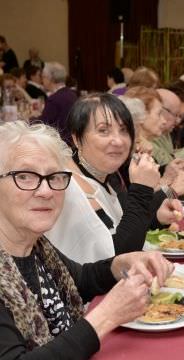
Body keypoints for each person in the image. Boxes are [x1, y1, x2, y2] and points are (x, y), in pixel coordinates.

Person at [0, 120, 174, 358]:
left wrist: (120, 264)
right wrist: (107, 316)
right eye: (25, 176)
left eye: (55, 176)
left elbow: (80, 280)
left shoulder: (34, 245)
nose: (46, 191)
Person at [45, 93, 183, 264]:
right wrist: (142, 189)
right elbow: (118, 258)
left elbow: (122, 226)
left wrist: (156, 218)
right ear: (77, 138)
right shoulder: (69, 186)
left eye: (124, 130)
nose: (118, 141)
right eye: (103, 130)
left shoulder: (104, 174)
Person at [37, 62, 78, 145]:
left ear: (51, 79)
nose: (42, 80)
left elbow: (42, 125)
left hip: (60, 144)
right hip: (72, 141)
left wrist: (28, 120)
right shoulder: (72, 94)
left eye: (43, 77)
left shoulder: (54, 99)